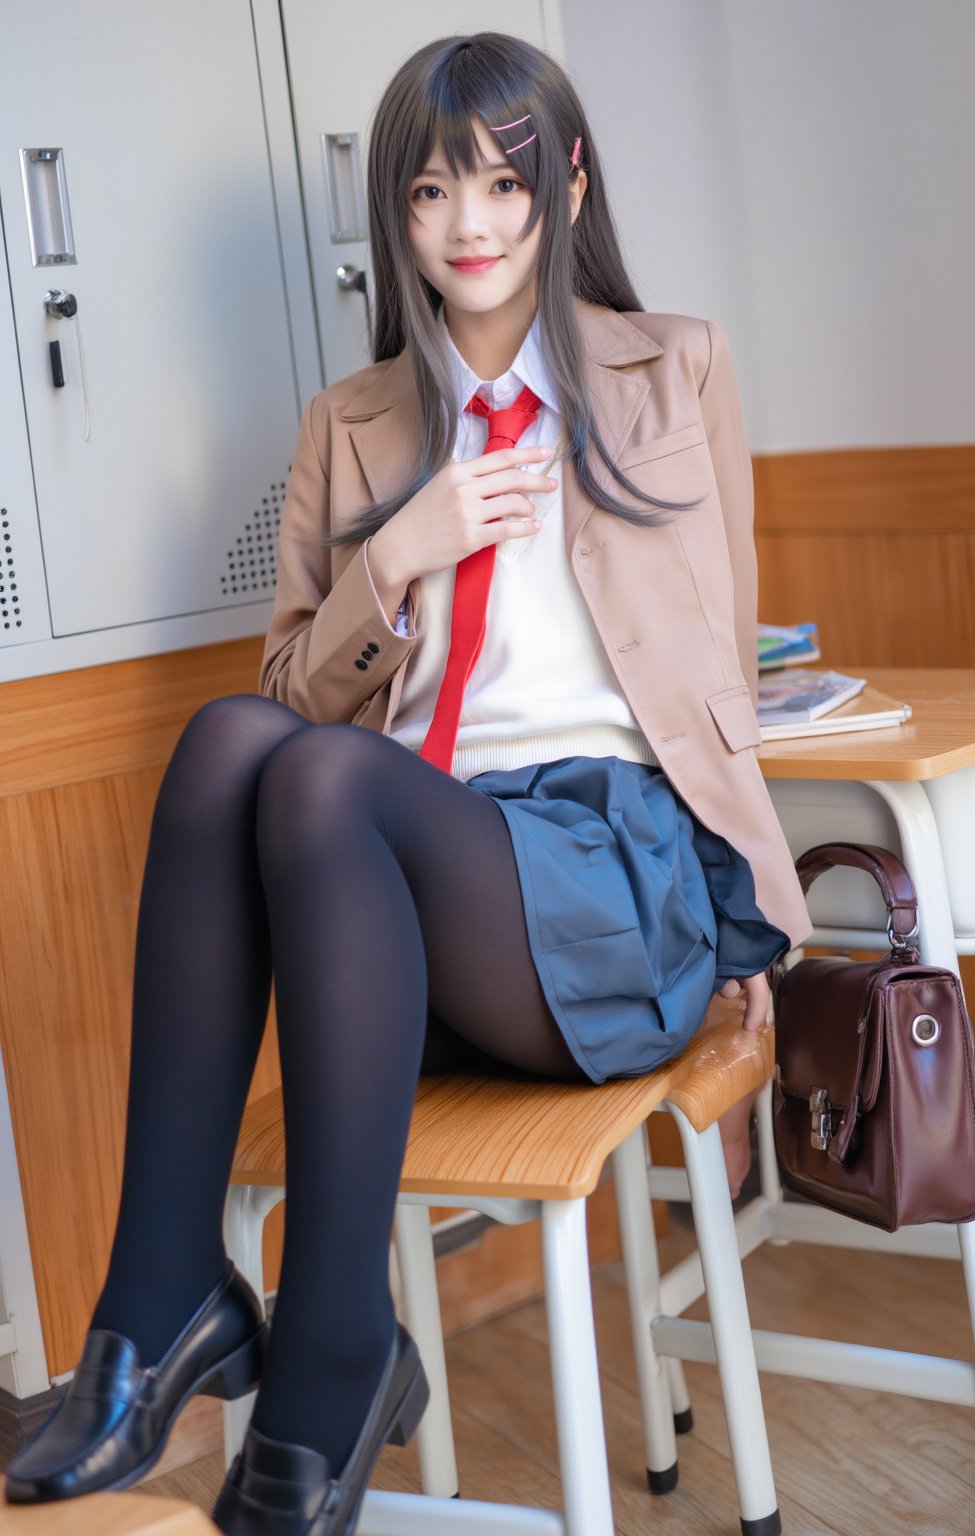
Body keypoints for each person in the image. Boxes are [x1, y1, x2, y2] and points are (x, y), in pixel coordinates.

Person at [4, 29, 812, 1536]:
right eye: (434, 190)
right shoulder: (354, 426)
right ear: (396, 213)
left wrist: (748, 909)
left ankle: (319, 1356)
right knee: (240, 745)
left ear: (566, 181)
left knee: (317, 786)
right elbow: (289, 695)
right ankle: (167, 1299)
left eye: (506, 180)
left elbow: (720, 681)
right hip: (401, 904)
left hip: (611, 877)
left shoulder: (670, 371)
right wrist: (401, 553)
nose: (472, 223)